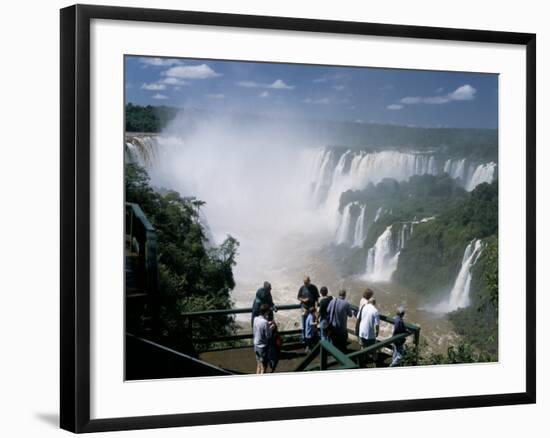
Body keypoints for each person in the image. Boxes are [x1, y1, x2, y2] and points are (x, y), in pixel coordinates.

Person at [253, 304, 275, 374]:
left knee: (258, 365)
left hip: (256, 345)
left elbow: (259, 327)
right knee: (263, 368)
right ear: (266, 312)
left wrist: (268, 324)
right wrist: (271, 328)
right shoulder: (265, 322)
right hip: (262, 347)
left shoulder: (255, 319)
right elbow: (268, 335)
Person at [357, 297, 380, 364]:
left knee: (362, 346)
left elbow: (358, 317)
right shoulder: (375, 310)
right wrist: (377, 331)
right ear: (374, 303)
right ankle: (375, 361)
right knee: (373, 348)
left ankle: (363, 360)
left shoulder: (363, 307)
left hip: (361, 331)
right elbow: (377, 324)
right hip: (370, 333)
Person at [297, 276, 319, 341]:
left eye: (306, 283)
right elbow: (298, 297)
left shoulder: (314, 288)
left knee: (313, 324)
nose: (305, 284)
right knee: (304, 324)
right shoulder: (302, 288)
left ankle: (312, 338)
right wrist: (303, 300)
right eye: (304, 283)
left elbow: (317, 299)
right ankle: (305, 338)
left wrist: (316, 308)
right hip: (304, 308)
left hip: (312, 309)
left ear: (309, 281)